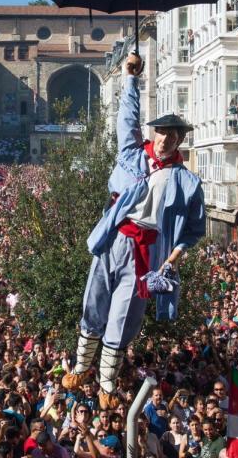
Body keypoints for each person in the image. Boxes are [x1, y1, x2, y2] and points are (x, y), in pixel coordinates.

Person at [62, 51, 206, 410]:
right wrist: (130, 77)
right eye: (161, 132)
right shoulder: (132, 155)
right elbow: (126, 120)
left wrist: (172, 260)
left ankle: (106, 382)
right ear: (154, 133)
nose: (165, 140)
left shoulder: (188, 183)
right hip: (114, 239)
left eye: (173, 135)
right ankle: (81, 367)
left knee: (125, 314)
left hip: (148, 253)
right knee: (94, 301)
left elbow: (193, 230)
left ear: (180, 141)